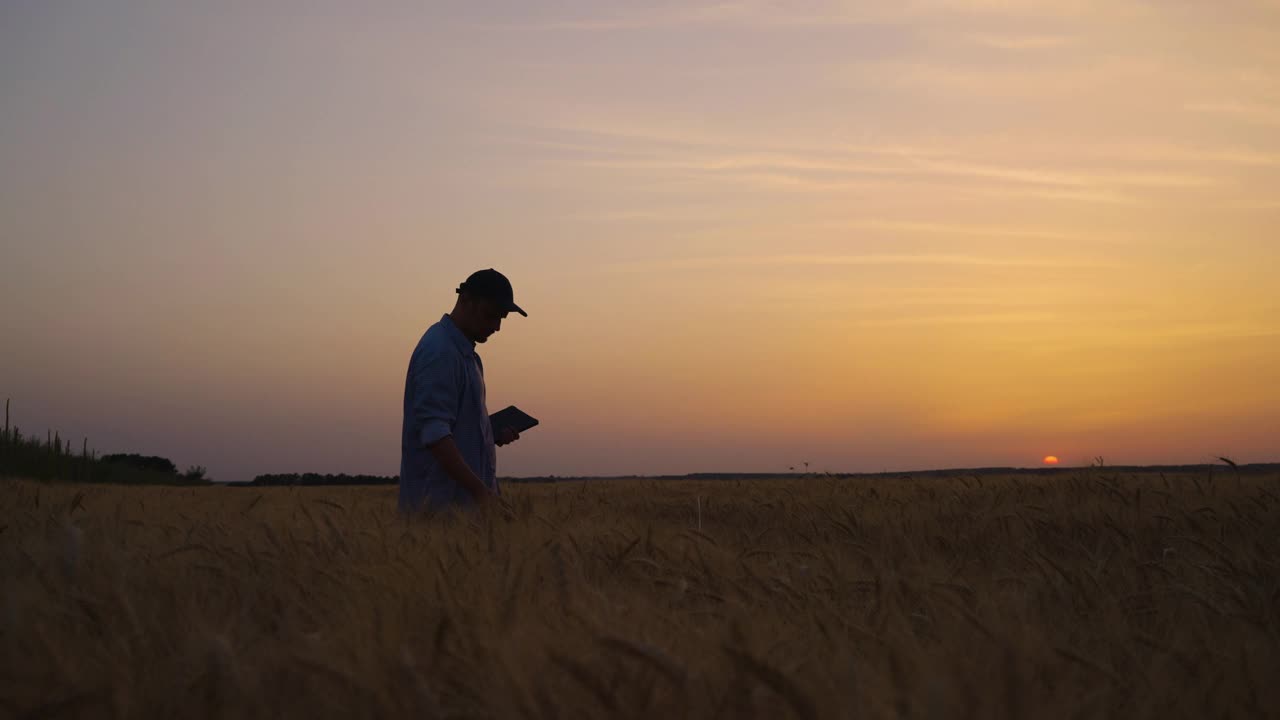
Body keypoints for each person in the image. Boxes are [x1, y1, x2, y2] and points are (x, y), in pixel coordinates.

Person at [399, 269, 527, 514]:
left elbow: (449, 427)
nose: (497, 327)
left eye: (501, 318)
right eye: (490, 315)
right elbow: (435, 435)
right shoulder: (440, 352)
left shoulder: (468, 357)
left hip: (463, 516)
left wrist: (489, 434)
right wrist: (483, 495)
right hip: (439, 512)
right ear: (465, 300)